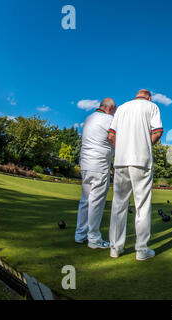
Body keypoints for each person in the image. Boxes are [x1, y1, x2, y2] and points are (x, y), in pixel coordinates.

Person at [108, 89, 163, 261]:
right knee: (142, 205)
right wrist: (145, 146)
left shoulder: (122, 107)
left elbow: (111, 135)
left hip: (120, 161)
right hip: (141, 160)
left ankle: (115, 248)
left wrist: (122, 150)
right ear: (149, 97)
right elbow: (158, 131)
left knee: (118, 204)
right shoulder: (152, 106)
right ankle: (141, 250)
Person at [75, 98, 117, 249]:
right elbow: (113, 137)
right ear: (110, 108)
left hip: (85, 164)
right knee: (96, 202)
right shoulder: (109, 119)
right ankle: (94, 239)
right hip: (99, 164)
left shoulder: (89, 118)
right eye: (114, 110)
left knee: (85, 200)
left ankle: (80, 235)